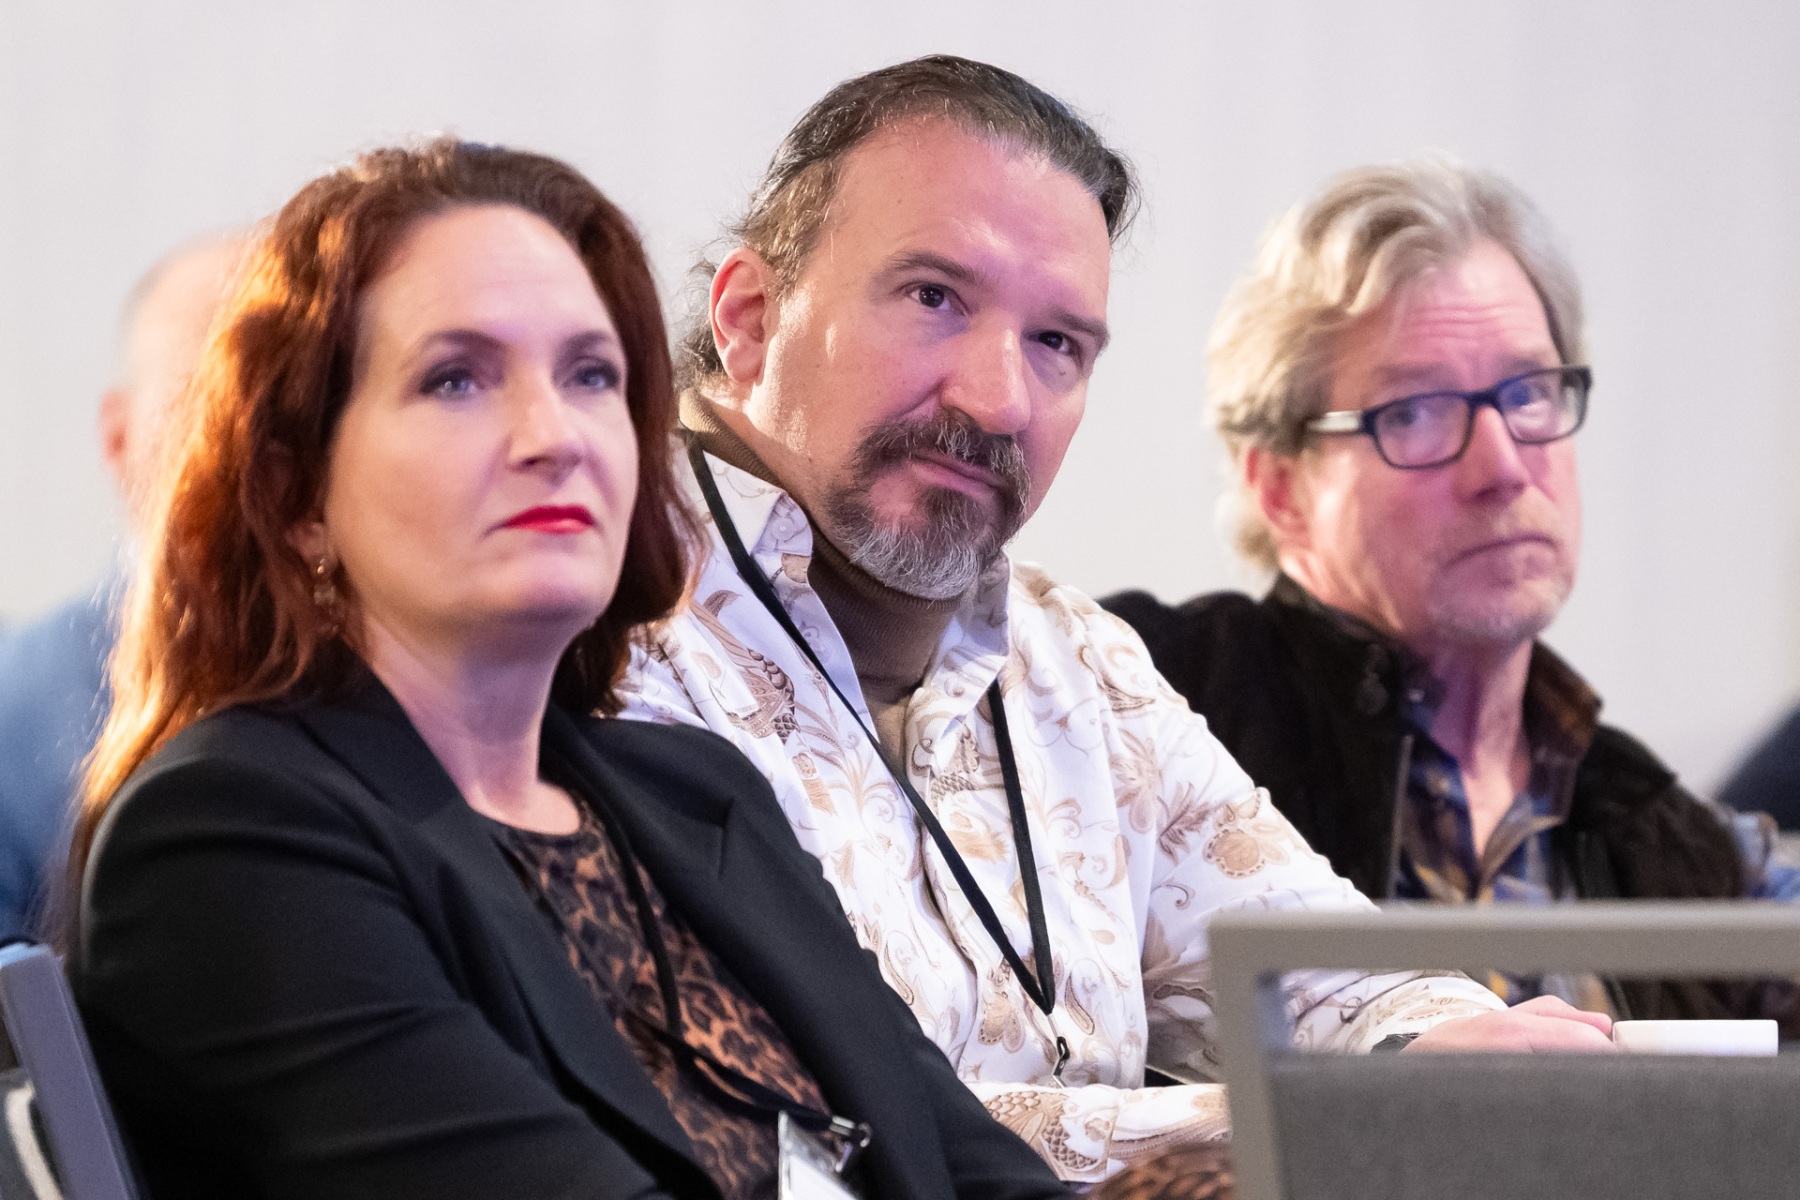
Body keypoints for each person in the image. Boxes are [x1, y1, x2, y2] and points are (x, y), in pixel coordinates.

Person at [617, 56, 1611, 1185]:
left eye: (1058, 344)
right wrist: (1321, 1118)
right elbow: (798, 1130)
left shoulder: (1074, 659)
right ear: (748, 320)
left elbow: (1337, 976)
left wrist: (1452, 1053)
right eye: (934, 298)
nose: (999, 399)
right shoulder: (598, 632)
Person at [69, 138, 1068, 1200]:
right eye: (456, 379)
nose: (554, 436)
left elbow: (985, 1177)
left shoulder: (697, 791)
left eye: (591, 375)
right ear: (296, 496)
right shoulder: (230, 836)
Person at [1102, 157, 1792, 1022]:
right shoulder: (1136, 708)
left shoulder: (1679, 846)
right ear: (1279, 486)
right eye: (1417, 412)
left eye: (1529, 392)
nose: (1502, 468)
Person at [0, 233, 241, 943]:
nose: (247, 442)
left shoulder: (423, 678)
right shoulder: (17, 702)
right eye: (203, 400)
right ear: (118, 435)